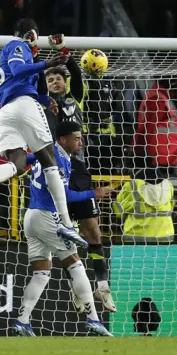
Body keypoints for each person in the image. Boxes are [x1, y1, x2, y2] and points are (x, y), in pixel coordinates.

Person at [0, 18, 85, 246]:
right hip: (23, 106)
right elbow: (20, 70)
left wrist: (44, 98)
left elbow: (17, 81)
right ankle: (66, 224)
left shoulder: (10, 55)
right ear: (30, 33)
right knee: (50, 159)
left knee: (18, 165)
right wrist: (46, 62)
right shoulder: (16, 45)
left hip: (7, 110)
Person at [13, 121, 113, 337]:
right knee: (76, 265)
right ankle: (93, 319)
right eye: (76, 137)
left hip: (30, 216)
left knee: (41, 273)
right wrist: (92, 194)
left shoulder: (44, 152)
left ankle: (22, 320)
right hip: (48, 217)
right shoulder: (58, 160)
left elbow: (25, 161)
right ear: (62, 140)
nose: (80, 141)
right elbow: (65, 195)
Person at [46, 63, 116, 312]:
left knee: (93, 233)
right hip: (54, 172)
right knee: (64, 239)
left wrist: (67, 57)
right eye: (50, 79)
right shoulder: (41, 105)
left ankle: (103, 287)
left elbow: (76, 75)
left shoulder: (75, 98)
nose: (55, 82)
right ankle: (77, 290)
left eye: (58, 79)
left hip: (79, 172)